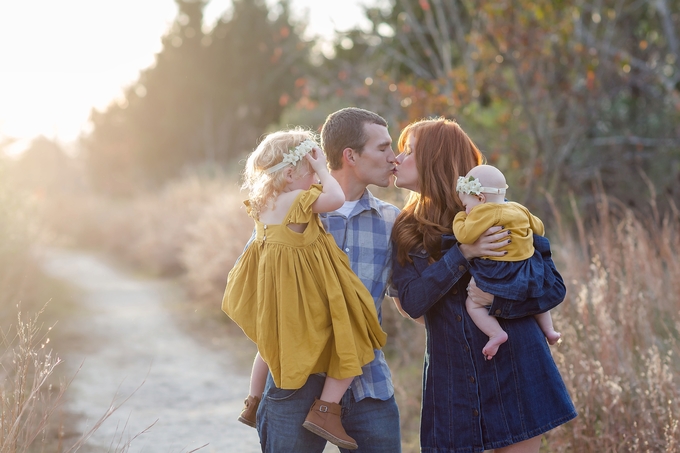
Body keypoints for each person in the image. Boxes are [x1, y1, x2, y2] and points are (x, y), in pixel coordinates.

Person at [391, 117, 577, 453]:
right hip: (452, 383)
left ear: (435, 160)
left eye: (409, 151)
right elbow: (413, 303)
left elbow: (549, 287)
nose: (397, 159)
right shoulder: (405, 229)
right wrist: (463, 253)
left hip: (517, 368)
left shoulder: (497, 213)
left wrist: (497, 298)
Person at [222, 128, 387, 450]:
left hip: (277, 297)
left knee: (270, 347)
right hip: (305, 293)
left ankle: (254, 400)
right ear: (288, 174)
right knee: (349, 337)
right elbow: (336, 199)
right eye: (310, 171)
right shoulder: (297, 200)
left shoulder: (263, 204)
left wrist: (313, 168)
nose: (316, 177)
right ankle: (326, 410)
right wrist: (325, 169)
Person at [255, 108, 403, 452]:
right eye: (383, 148)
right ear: (350, 155)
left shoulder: (393, 221)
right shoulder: (292, 212)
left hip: (369, 384)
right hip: (296, 382)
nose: (393, 158)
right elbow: (263, 284)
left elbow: (408, 301)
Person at [453, 164, 561, 360]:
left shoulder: (482, 212)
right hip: (528, 268)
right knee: (537, 295)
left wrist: (459, 218)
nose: (465, 210)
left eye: (465, 205)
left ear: (480, 198)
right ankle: (550, 330)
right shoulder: (519, 208)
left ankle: (496, 333)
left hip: (499, 271)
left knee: (473, 303)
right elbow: (540, 229)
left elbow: (465, 235)